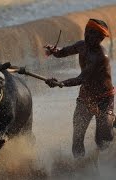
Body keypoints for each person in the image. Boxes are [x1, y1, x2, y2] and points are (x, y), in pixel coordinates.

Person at [44, 18, 115, 158]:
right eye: (87, 32)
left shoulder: (101, 57)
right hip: (85, 97)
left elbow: (82, 78)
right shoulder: (81, 45)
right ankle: (81, 169)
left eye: (93, 34)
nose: (88, 36)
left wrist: (60, 83)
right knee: (77, 138)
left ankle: (111, 121)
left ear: (101, 38)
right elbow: (63, 52)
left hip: (104, 99)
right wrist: (54, 50)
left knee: (102, 141)